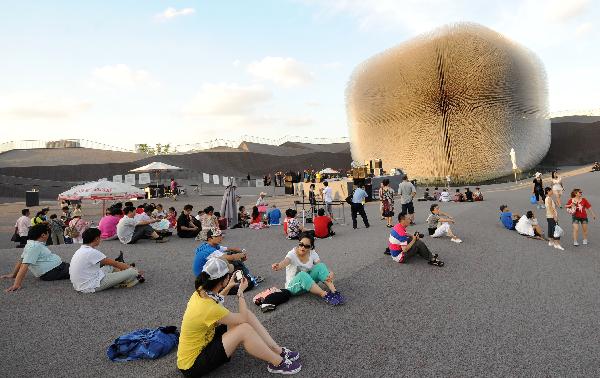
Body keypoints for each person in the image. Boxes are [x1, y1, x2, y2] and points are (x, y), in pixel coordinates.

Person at [177, 258, 301, 376]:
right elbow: (242, 318)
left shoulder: (201, 291)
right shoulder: (209, 308)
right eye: (228, 275)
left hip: (203, 343)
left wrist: (230, 285)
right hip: (193, 365)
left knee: (247, 315)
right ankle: (277, 362)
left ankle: (276, 349)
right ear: (223, 280)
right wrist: (240, 292)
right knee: (244, 329)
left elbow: (216, 300)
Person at [271, 232, 343, 305]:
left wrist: (330, 272)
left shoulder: (312, 253)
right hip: (293, 287)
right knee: (302, 274)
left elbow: (320, 267)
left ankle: (334, 291)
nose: (303, 247)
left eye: (306, 246)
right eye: (301, 244)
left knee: (321, 266)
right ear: (298, 243)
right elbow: (286, 261)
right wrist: (279, 266)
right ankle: (325, 295)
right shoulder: (292, 253)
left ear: (311, 247)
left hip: (309, 284)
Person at [69, 228, 143, 293]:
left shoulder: (81, 250)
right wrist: (134, 270)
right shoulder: (92, 252)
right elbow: (115, 263)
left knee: (109, 266)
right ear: (96, 239)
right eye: (99, 238)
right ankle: (125, 280)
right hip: (90, 285)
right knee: (132, 272)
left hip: (80, 284)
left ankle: (121, 277)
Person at [2, 224, 70, 291]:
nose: (48, 234)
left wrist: (14, 274)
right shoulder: (34, 247)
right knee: (77, 270)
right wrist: (16, 284)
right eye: (48, 233)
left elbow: (21, 260)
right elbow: (24, 265)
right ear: (43, 235)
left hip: (57, 268)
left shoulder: (31, 244)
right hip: (52, 271)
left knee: (75, 266)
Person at [192, 229, 262, 287]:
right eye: (217, 236)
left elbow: (229, 249)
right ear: (210, 238)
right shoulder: (209, 250)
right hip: (205, 280)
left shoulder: (210, 245)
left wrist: (241, 251)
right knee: (234, 262)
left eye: (221, 235)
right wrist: (242, 255)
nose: (221, 237)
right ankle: (245, 278)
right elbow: (230, 258)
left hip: (204, 274)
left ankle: (242, 277)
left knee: (231, 255)